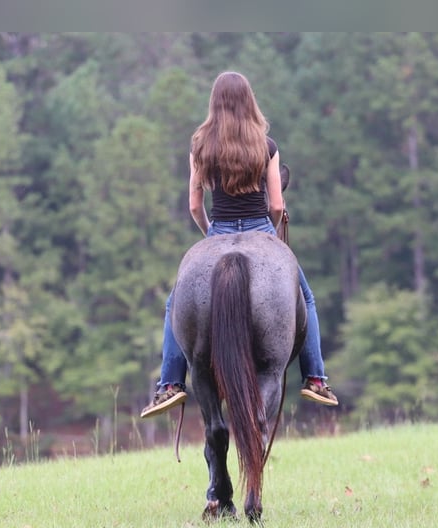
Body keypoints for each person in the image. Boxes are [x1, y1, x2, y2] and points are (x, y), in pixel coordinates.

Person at [140, 71, 337, 418]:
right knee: (306, 297)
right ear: (250, 101)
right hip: (262, 228)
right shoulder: (267, 146)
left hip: (219, 230)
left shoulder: (200, 146)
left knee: (174, 303)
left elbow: (194, 204)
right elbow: (277, 205)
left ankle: (169, 384)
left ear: (214, 103)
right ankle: (316, 378)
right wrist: (270, 238)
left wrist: (209, 236)